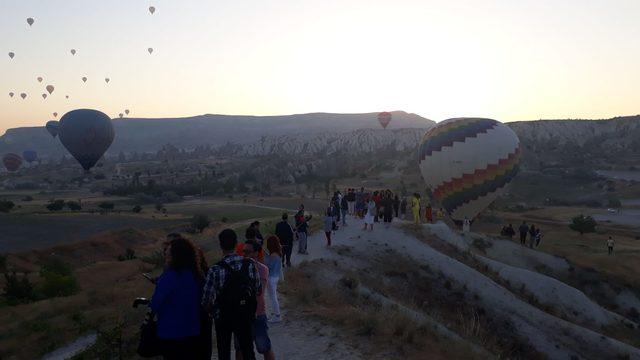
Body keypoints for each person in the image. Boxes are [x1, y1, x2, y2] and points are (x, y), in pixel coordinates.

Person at [202, 229, 261, 360]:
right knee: (248, 351)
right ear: (236, 243)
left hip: (223, 317)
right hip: (245, 314)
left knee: (224, 352)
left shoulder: (215, 269)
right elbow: (257, 289)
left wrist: (213, 311)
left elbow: (206, 300)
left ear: (220, 245)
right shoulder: (249, 264)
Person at [151, 236, 203, 359]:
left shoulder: (169, 277)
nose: (166, 255)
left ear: (175, 255)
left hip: (170, 333)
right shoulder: (195, 275)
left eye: (168, 253)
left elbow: (155, 303)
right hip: (192, 331)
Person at [234, 240, 275, 360]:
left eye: (248, 252)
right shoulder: (237, 267)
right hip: (241, 314)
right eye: (243, 251)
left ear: (257, 253)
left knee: (264, 347)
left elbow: (259, 290)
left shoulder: (262, 269)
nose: (244, 254)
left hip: (257, 313)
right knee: (239, 348)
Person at [264, 236, 283, 322]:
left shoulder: (272, 255)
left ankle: (277, 315)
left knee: (273, 298)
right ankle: (275, 313)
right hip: (276, 277)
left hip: (271, 278)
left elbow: (268, 267)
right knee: (273, 297)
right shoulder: (278, 253)